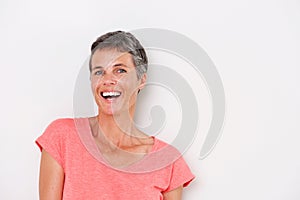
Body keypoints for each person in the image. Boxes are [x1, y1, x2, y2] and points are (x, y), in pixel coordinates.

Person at [36, 30, 195, 200]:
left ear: (141, 80)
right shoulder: (61, 136)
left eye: (120, 71)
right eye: (99, 72)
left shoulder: (167, 160)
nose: (107, 80)